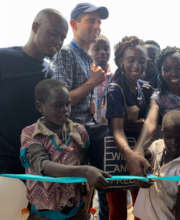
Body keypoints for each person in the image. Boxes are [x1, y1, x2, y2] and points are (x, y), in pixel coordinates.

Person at [20, 79, 110, 220]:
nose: (65, 110)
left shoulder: (79, 131)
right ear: (39, 107)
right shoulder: (31, 133)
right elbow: (43, 166)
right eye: (58, 106)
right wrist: (85, 171)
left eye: (67, 104)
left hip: (76, 211)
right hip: (43, 215)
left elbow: (85, 160)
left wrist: (86, 194)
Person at [0, 8, 68, 174]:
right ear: (35, 26)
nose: (58, 41)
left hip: (31, 163)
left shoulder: (49, 73)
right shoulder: (4, 59)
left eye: (62, 37)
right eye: (53, 34)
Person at [105, 36, 152, 220]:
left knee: (141, 205)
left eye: (141, 61)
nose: (136, 65)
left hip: (139, 151)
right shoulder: (114, 89)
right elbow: (117, 130)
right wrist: (130, 155)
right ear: (120, 62)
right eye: (131, 60)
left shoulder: (144, 87)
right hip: (118, 153)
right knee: (117, 210)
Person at [135, 46, 180, 162]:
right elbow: (150, 123)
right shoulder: (158, 98)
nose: (173, 73)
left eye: (178, 68)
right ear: (160, 72)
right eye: (167, 69)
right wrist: (138, 149)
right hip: (176, 157)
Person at [52, 2, 109, 124]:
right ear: (74, 24)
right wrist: (92, 83)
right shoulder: (65, 53)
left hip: (88, 130)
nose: (96, 26)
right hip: (71, 135)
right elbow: (59, 101)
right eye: (91, 21)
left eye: (99, 22)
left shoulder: (87, 59)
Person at [134, 110, 180, 220]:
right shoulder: (157, 146)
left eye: (179, 138)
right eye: (169, 137)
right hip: (141, 215)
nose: (174, 143)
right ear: (162, 134)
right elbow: (144, 156)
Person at [88, 34, 114, 123]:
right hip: (89, 125)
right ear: (89, 52)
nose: (102, 52)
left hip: (110, 126)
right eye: (96, 49)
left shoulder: (115, 78)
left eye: (106, 49)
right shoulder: (86, 77)